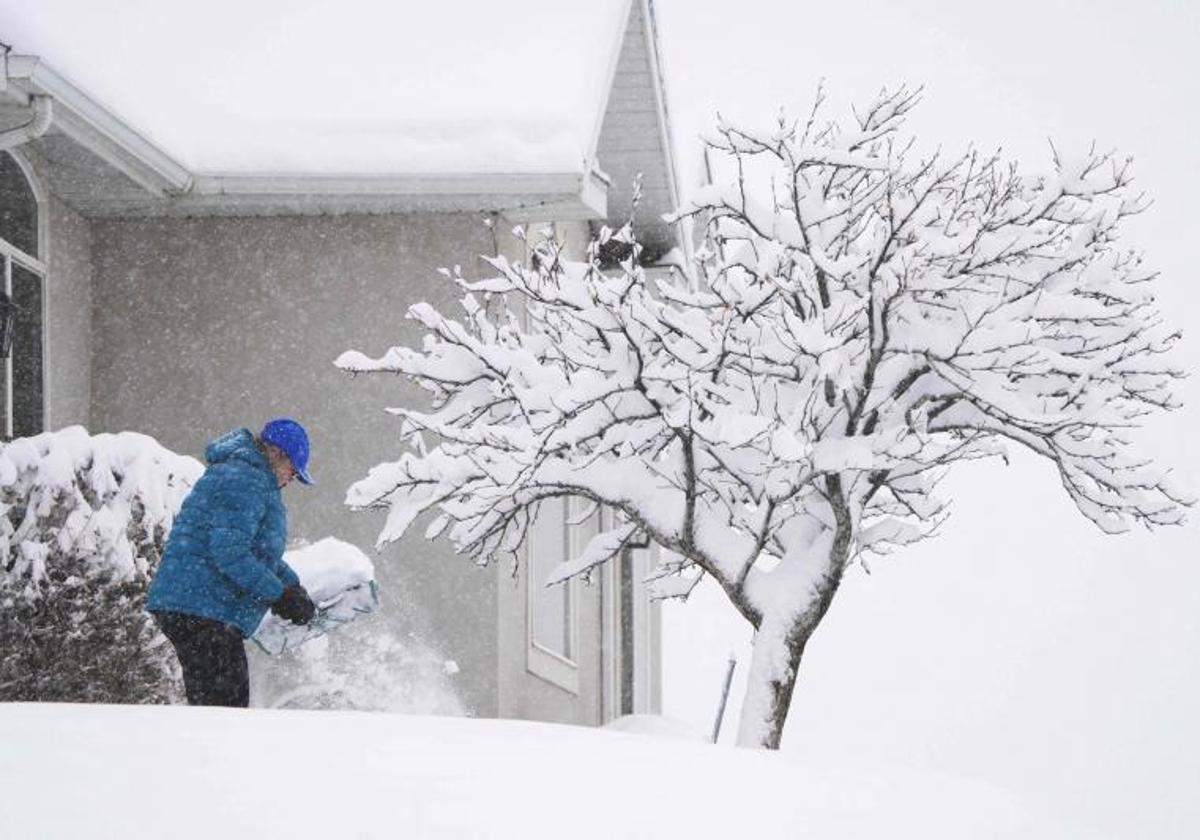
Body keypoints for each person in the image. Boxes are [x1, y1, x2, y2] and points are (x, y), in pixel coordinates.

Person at [147, 418, 317, 707]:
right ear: (277, 454)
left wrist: (292, 587)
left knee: (222, 706)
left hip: (199, 607)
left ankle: (206, 751)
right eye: (292, 471)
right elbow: (230, 552)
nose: (291, 479)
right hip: (198, 606)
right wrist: (278, 595)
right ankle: (204, 753)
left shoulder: (251, 478)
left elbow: (259, 551)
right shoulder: (245, 479)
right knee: (224, 709)